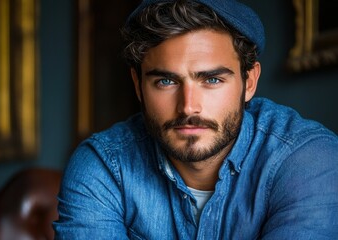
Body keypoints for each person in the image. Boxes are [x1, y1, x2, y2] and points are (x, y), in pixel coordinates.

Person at [53, 0, 338, 239]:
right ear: (138, 85)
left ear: (249, 82)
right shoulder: (103, 167)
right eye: (166, 81)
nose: (188, 107)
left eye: (212, 79)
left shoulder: (309, 160)